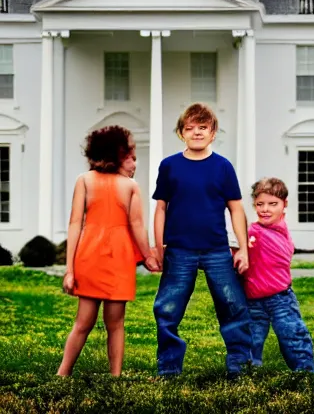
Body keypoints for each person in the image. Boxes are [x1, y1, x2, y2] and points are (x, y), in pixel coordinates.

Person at [152, 103, 252, 379]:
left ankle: (239, 367)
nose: (196, 132)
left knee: (233, 306)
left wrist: (243, 248)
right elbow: (161, 208)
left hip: (216, 249)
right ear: (181, 133)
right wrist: (158, 246)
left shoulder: (222, 167)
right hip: (179, 249)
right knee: (167, 309)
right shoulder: (170, 166)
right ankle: (169, 368)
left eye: (203, 128)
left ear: (213, 132)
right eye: (190, 128)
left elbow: (236, 208)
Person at [57, 126, 160, 376]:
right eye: (131, 156)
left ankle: (71, 373)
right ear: (116, 154)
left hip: (101, 257)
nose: (134, 162)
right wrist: (148, 255)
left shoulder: (89, 180)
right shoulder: (120, 184)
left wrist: (147, 255)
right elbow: (136, 226)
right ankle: (76, 373)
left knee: (89, 323)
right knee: (111, 324)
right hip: (107, 258)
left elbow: (75, 224)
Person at [240, 177, 314, 372]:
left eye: (273, 204)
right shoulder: (250, 232)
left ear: (284, 205)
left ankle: (305, 372)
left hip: (280, 298)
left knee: (293, 336)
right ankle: (248, 373)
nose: (266, 209)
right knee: (250, 340)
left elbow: (283, 252)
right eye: (260, 204)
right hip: (253, 299)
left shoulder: (279, 232)